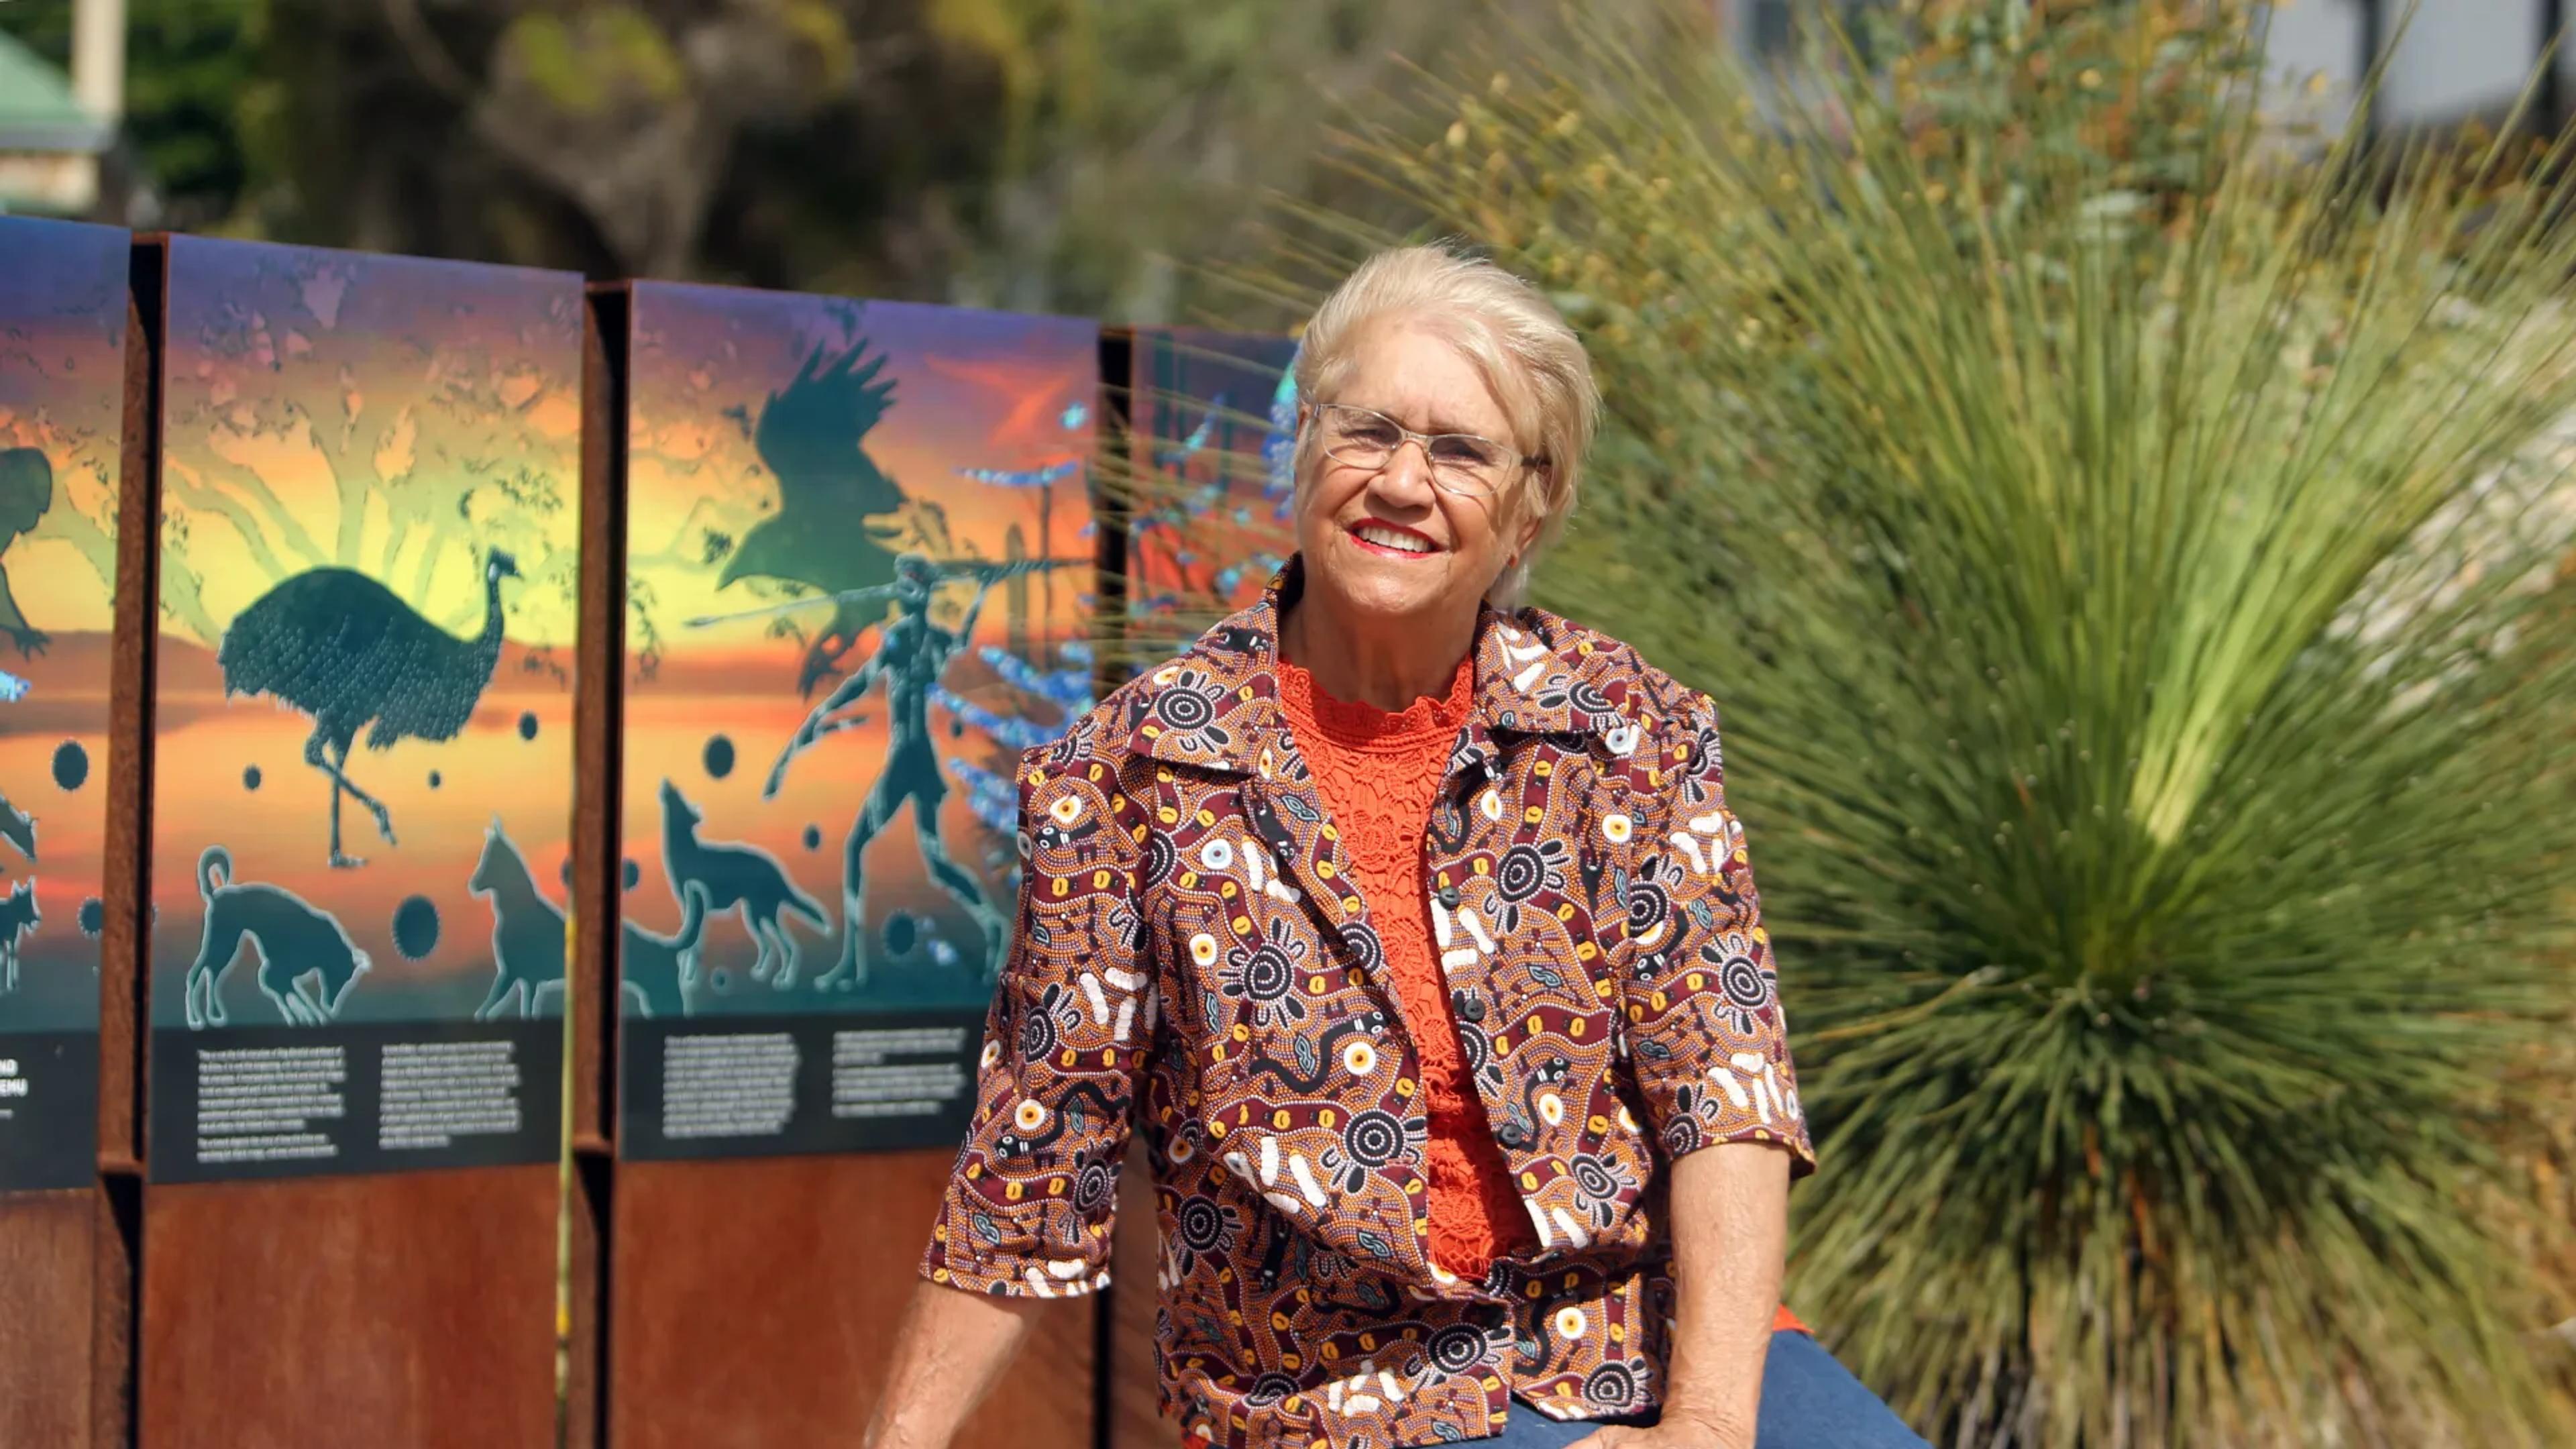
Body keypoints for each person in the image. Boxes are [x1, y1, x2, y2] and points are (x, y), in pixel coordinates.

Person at [864, 245, 1926, 1448]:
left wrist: (1709, 1427)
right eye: (1368, 431)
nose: (1403, 483)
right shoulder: (1131, 775)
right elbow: (1031, 1167)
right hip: (1345, 1388)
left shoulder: (1630, 732)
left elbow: (1725, 1086)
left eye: (1461, 452)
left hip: (1636, 1336)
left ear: (1531, 507)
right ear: (1303, 445)